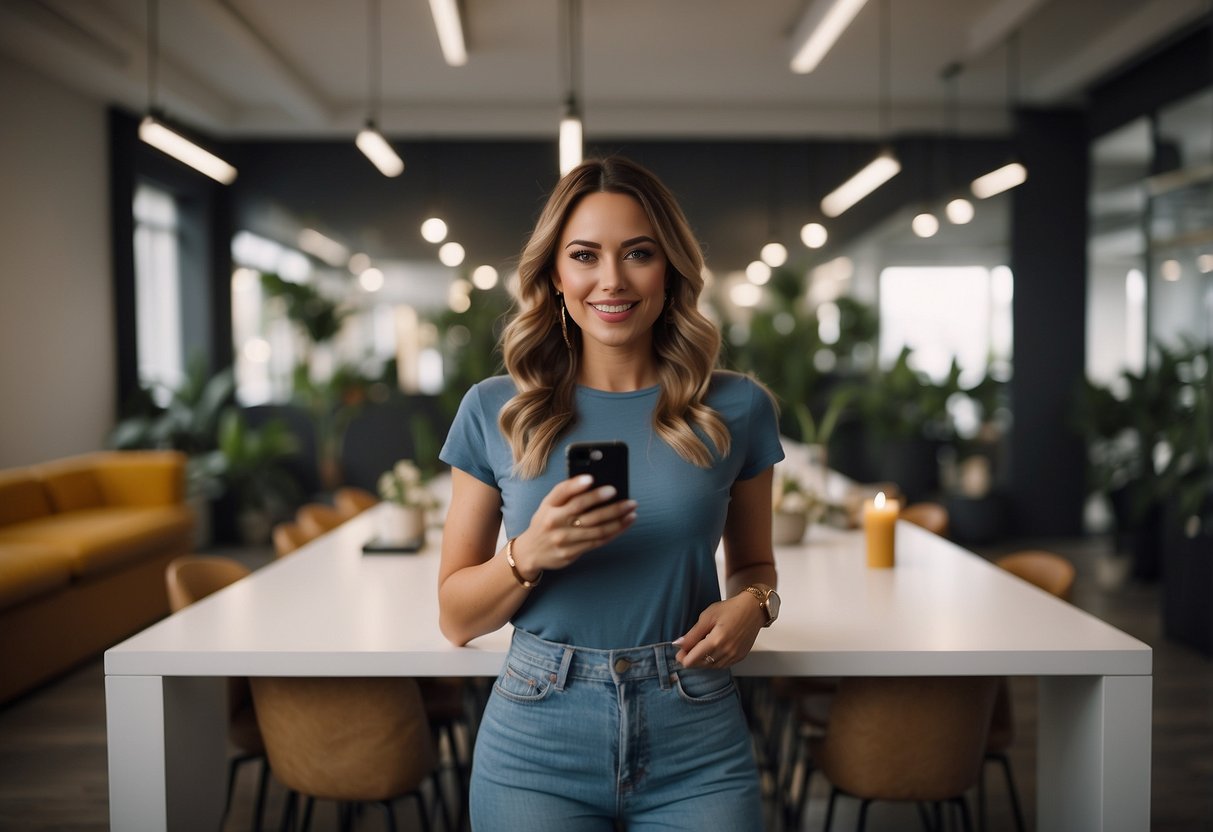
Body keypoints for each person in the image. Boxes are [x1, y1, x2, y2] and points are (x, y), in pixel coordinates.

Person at [437, 156, 784, 831]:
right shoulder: (494, 410)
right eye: (585, 255)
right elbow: (456, 618)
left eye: (638, 254)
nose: (611, 280)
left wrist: (754, 605)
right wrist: (527, 554)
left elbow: (754, 566)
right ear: (555, 275)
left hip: (696, 731)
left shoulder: (737, 408)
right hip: (537, 737)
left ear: (670, 269)